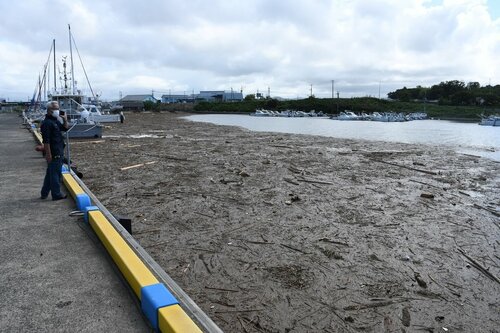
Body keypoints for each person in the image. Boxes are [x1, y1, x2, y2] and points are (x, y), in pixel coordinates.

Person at [40, 101, 69, 200]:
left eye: (58, 108)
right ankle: (56, 194)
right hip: (54, 152)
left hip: (58, 150)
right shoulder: (47, 123)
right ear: (49, 110)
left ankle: (44, 193)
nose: (57, 111)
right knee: (56, 174)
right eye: (55, 109)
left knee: (50, 173)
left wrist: (65, 119)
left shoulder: (55, 121)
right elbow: (46, 141)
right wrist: (48, 154)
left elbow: (65, 129)